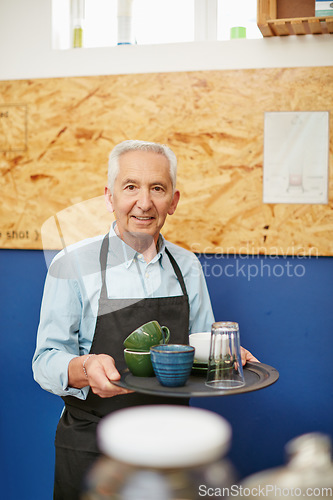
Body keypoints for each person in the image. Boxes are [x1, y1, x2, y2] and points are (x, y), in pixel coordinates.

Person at [32, 140, 258, 500]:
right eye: (130, 187)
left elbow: (200, 348)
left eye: (157, 188)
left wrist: (224, 355)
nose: (144, 202)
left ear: (174, 200)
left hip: (171, 446)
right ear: (109, 196)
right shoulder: (71, 264)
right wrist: (86, 367)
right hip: (93, 442)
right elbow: (45, 361)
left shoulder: (187, 266)